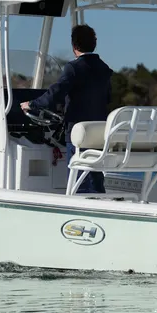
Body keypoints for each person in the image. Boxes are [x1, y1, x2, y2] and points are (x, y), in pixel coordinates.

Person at [20, 24, 113, 193]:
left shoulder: (73, 68)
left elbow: (55, 94)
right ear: (94, 44)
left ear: (74, 46)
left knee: (79, 178)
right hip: (100, 132)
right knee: (95, 175)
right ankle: (98, 200)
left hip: (78, 134)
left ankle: (79, 202)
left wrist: (31, 104)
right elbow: (107, 98)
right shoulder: (104, 68)